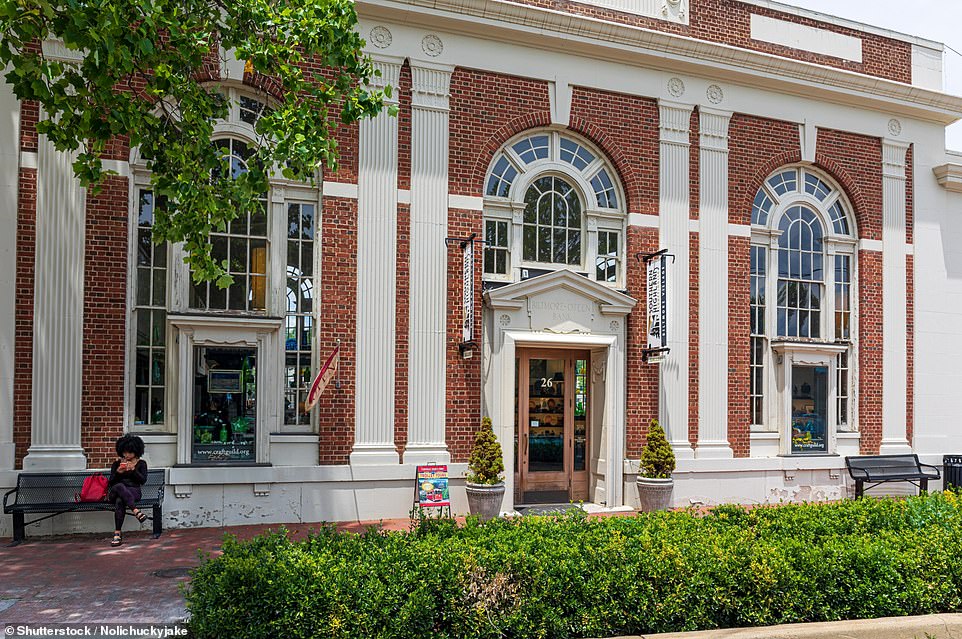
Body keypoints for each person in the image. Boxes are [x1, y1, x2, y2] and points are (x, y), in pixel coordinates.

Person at [107, 434, 148, 547]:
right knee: (119, 486)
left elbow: (143, 480)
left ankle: (117, 533)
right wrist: (118, 472)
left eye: (130, 452)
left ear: (136, 451)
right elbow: (111, 482)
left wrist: (134, 470)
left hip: (133, 492)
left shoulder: (141, 464)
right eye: (124, 452)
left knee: (120, 501)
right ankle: (136, 512)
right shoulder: (116, 464)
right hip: (115, 492)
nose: (127, 455)